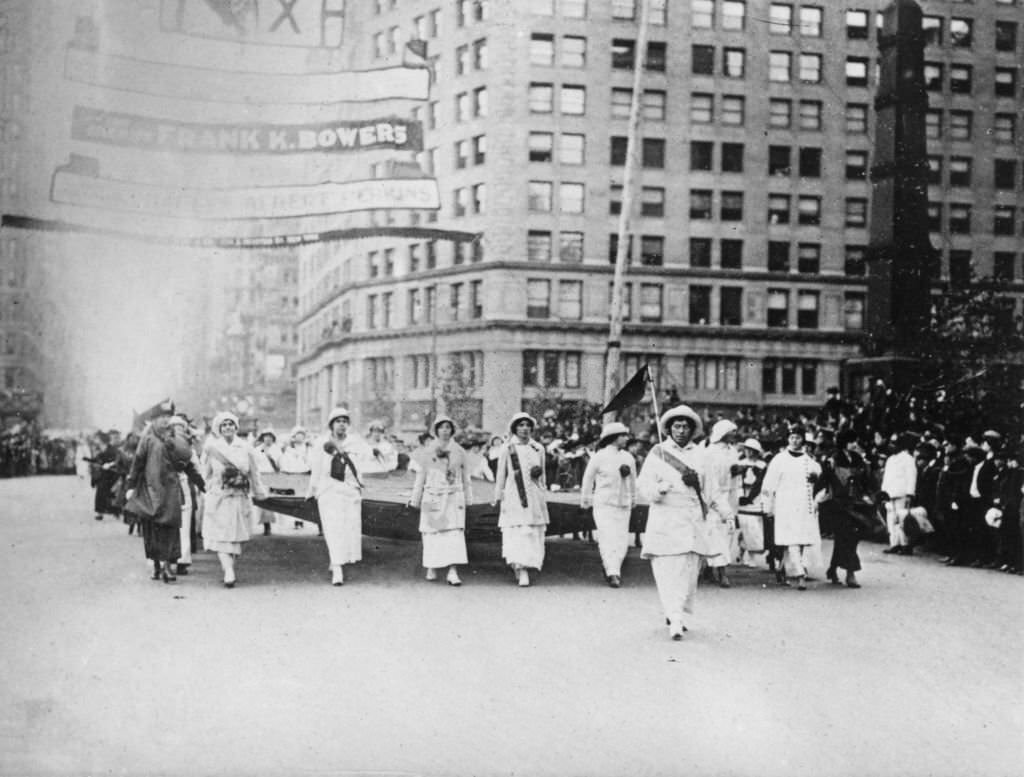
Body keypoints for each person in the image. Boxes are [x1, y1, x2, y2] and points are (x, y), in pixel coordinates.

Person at [637, 405, 712, 640]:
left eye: (685, 426)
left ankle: (676, 611)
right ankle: (675, 618)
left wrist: (724, 511)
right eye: (676, 426)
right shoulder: (658, 453)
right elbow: (643, 486)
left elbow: (712, 488)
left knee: (689, 572)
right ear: (668, 429)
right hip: (665, 520)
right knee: (668, 570)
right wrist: (658, 489)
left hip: (691, 520)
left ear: (692, 430)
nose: (681, 430)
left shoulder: (700, 454)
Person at [126, 417, 204, 583]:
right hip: (170, 491)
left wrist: (131, 485)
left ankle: (158, 566)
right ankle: (165, 567)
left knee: (152, 529)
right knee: (170, 529)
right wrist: (203, 485)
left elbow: (137, 463)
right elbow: (188, 465)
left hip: (151, 490)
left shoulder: (148, 440)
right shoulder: (177, 442)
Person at [306, 407, 372, 586]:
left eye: (344, 421)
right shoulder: (322, 443)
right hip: (329, 489)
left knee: (348, 528)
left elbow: (362, 464)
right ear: (331, 425)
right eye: (338, 421)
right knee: (333, 528)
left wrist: (359, 485)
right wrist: (311, 491)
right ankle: (337, 568)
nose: (341, 424)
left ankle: (337, 559)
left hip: (349, 490)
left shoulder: (355, 443)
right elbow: (317, 469)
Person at [202, 412, 268, 588]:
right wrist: (210, 489)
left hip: (239, 498)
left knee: (235, 538)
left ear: (236, 427)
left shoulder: (245, 447)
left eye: (231, 424)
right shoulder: (211, 448)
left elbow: (254, 472)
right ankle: (228, 571)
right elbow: (205, 473)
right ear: (219, 429)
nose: (228, 428)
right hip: (220, 498)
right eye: (224, 425)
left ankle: (229, 568)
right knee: (221, 537)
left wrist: (259, 492)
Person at [408, 416, 472, 586]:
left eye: (448, 427)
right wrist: (415, 499)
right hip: (433, 494)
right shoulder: (428, 451)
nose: (445, 431)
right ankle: (432, 566)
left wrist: (468, 499)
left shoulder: (459, 451)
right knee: (432, 533)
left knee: (453, 534)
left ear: (452, 430)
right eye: (441, 427)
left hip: (453, 495)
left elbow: (466, 477)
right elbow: (421, 477)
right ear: (436, 431)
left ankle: (452, 571)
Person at [492, 412, 549, 587]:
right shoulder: (508, 448)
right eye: (521, 425)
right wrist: (498, 496)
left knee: (532, 530)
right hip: (515, 495)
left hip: (534, 496)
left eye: (527, 425)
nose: (525, 429)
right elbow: (501, 474)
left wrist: (542, 492)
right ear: (515, 428)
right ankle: (520, 568)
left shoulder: (538, 448)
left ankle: (527, 565)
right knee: (517, 530)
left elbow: (543, 475)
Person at [762, 426, 823, 590]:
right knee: (791, 541)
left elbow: (818, 473)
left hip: (803, 505)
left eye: (798, 437)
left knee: (800, 541)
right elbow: (768, 484)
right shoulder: (779, 459)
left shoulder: (808, 461)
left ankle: (783, 568)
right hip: (785, 505)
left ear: (803, 439)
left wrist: (815, 477)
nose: (795, 441)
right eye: (792, 438)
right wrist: (767, 506)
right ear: (788, 439)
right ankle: (800, 575)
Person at [579, 421, 636, 588]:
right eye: (622, 435)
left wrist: (633, 498)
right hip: (604, 503)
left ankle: (614, 567)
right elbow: (588, 479)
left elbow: (633, 480)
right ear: (613, 438)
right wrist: (586, 499)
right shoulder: (599, 456)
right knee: (607, 536)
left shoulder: (628, 457)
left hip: (623, 504)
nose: (626, 438)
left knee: (621, 538)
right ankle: (612, 571)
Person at [819, 429, 872, 588]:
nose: (854, 444)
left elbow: (865, 481)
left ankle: (833, 568)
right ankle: (851, 573)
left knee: (849, 538)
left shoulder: (858, 459)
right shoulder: (834, 458)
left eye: (855, 441)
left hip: (855, 502)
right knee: (846, 536)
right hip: (837, 503)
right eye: (851, 441)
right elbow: (825, 479)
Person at [703, 419, 742, 588]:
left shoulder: (732, 451)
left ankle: (715, 568)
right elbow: (708, 478)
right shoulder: (709, 452)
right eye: (732, 431)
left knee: (728, 533)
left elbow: (735, 472)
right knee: (714, 533)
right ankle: (721, 572)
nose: (734, 434)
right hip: (713, 496)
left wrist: (736, 471)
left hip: (730, 495)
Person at [881, 433, 918, 555]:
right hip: (890, 494)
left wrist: (909, 494)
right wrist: (883, 493)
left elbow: (911, 477)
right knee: (891, 520)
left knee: (902, 520)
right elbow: (886, 478)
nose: (891, 446)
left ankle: (905, 545)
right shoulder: (890, 459)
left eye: (894, 443)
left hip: (902, 493)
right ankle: (894, 544)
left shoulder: (908, 459)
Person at [735, 437, 768, 568]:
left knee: (754, 528)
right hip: (742, 497)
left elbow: (760, 484)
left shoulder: (762, 465)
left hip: (755, 499)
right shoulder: (740, 463)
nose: (748, 452)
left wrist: (751, 497)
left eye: (751, 450)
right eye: (746, 449)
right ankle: (742, 550)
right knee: (745, 526)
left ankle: (751, 554)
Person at [279, 426, 312, 530]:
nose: (300, 436)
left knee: (304, 499)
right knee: (294, 499)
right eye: (298, 434)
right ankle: (296, 520)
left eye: (302, 434)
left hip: (305, 475)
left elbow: (312, 461)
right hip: (293, 476)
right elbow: (285, 462)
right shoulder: (289, 450)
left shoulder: (308, 449)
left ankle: (302, 519)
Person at [252, 429, 281, 536]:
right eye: (266, 436)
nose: (268, 438)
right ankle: (266, 525)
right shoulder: (258, 450)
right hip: (262, 477)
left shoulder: (277, 450)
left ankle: (271, 523)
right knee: (264, 502)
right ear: (262, 438)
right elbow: (254, 464)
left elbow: (280, 463)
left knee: (274, 501)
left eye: (270, 436)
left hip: (273, 477)